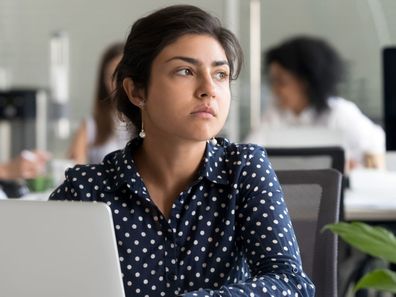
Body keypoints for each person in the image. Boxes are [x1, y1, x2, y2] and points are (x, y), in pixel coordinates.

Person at [50, 5, 315, 296]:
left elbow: (290, 284)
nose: (208, 89)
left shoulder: (243, 169)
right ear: (137, 91)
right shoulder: (87, 190)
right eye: (185, 71)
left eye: (220, 74)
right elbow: (41, 282)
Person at [245, 36, 386, 170]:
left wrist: (359, 163)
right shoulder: (274, 114)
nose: (275, 90)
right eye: (273, 81)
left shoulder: (339, 113)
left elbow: (376, 147)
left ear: (305, 82)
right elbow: (249, 155)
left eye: (281, 82)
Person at [68, 42, 131, 164]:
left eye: (121, 75)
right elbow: (74, 166)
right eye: (110, 76)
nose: (116, 83)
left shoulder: (147, 122)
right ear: (103, 81)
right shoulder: (91, 125)